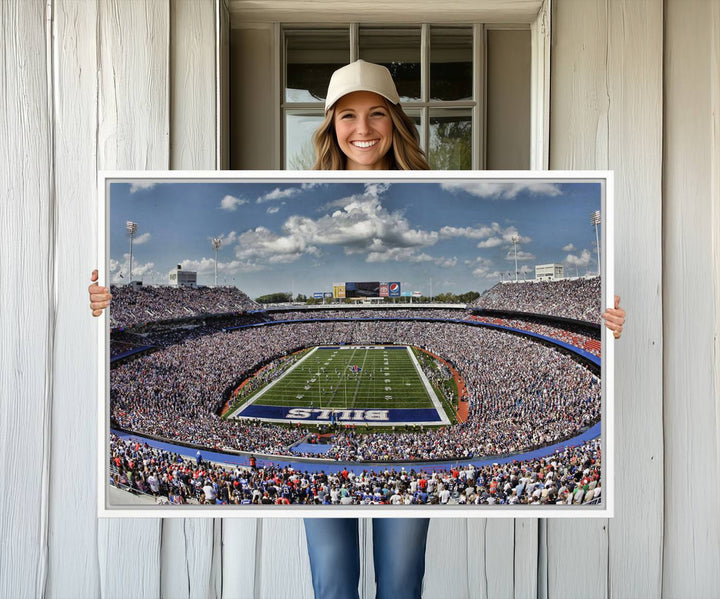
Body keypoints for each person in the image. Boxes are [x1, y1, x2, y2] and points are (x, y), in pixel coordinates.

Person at [88, 59, 626, 599]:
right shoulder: (301, 192)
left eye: (376, 114)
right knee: (333, 581)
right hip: (330, 484)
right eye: (347, 116)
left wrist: (602, 319)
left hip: (398, 484)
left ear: (395, 121)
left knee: (400, 581)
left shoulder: (438, 188)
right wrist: (109, 306)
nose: (362, 129)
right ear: (330, 126)